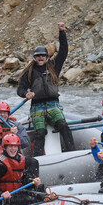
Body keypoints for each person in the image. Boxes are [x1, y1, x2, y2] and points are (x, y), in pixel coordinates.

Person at [16, 22, 75, 156]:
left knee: (63, 126)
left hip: (53, 104)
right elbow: (20, 89)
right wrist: (26, 93)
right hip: (37, 106)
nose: (41, 58)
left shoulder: (54, 66)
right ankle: (38, 158)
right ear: (35, 58)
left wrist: (62, 32)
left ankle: (71, 153)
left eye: (43, 56)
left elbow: (64, 51)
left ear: (47, 57)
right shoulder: (29, 72)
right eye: (38, 56)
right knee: (40, 132)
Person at [0, 134, 44, 205]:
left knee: (42, 195)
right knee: (33, 200)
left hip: (17, 194)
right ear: (4, 147)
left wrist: (32, 181)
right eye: (10, 146)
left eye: (15, 146)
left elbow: (23, 179)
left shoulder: (22, 160)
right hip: (3, 199)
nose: (13, 149)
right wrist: (0, 193)